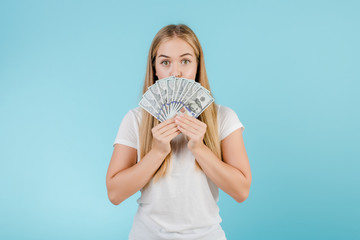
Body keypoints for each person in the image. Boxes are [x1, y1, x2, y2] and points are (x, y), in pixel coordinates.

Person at [106, 24, 252, 240]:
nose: (176, 72)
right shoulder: (136, 120)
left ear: (197, 66)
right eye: (165, 62)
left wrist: (199, 148)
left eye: (185, 60)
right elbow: (115, 193)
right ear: (154, 69)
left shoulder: (223, 118)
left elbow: (241, 191)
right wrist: (157, 152)